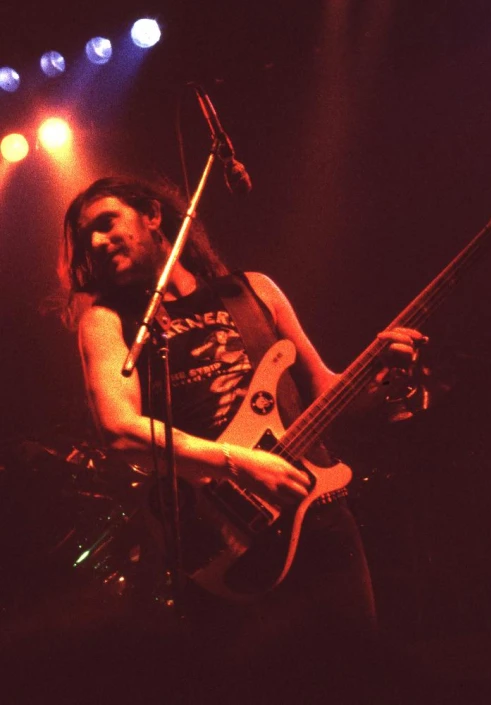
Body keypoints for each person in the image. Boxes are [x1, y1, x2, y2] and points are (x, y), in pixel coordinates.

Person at [60, 175, 426, 703]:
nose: (96, 242)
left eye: (105, 223)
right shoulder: (107, 320)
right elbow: (119, 429)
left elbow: (328, 392)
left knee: (358, 682)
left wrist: (379, 372)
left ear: (153, 215)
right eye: (85, 237)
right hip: (217, 538)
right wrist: (237, 464)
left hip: (317, 514)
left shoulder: (252, 291)